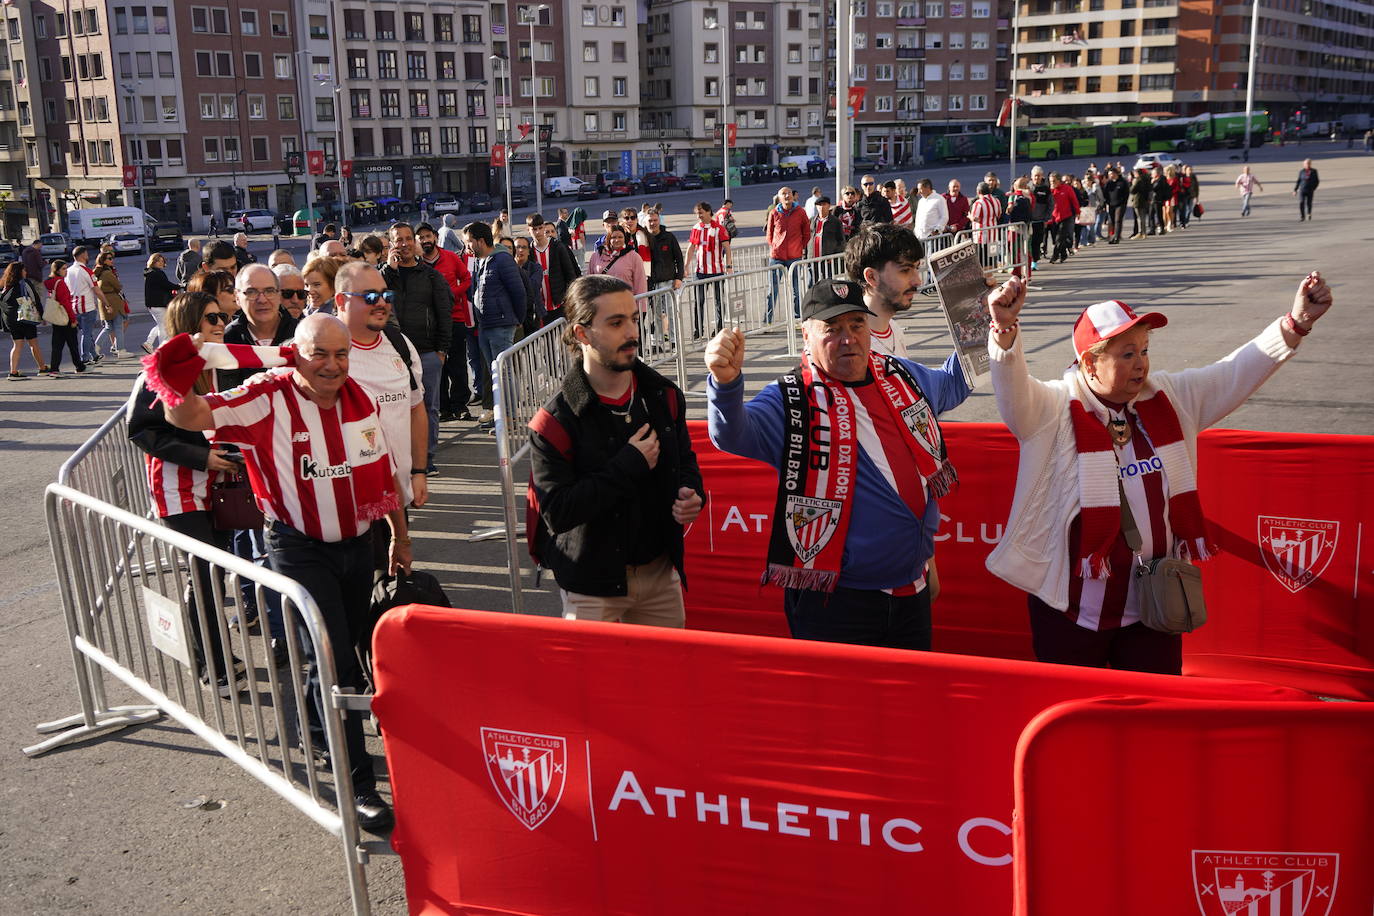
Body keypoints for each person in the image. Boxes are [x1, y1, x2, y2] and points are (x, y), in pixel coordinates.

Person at [983, 272, 1335, 674]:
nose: (1141, 365)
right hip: (1071, 613)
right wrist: (1005, 331)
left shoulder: (1168, 398)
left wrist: (1296, 323)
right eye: (1127, 354)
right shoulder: (1053, 409)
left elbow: (1235, 371)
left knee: (1149, 724)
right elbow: (1013, 392)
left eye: (1145, 350)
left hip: (1153, 611)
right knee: (1081, 726)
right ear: (1090, 363)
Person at [160, 312, 411, 834]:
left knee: (343, 655)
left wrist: (400, 536)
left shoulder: (358, 398)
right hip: (298, 548)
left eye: (341, 354)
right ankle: (358, 781)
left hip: (358, 544)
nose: (332, 365)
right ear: (295, 352)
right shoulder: (266, 396)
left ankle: (318, 728)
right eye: (319, 353)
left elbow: (381, 465)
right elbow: (189, 418)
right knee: (333, 659)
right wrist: (173, 374)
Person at [706, 278, 969, 648]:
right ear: (806, 336)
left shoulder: (899, 375)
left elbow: (956, 382)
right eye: (832, 329)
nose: (849, 338)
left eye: (857, 324)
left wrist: (985, 320)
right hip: (836, 602)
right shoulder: (790, 398)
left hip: (914, 588)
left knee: (909, 703)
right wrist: (725, 382)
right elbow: (732, 434)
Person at [528, 275, 705, 625]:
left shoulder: (663, 395)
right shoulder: (554, 420)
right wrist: (627, 466)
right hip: (590, 585)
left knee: (666, 679)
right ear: (582, 334)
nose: (632, 332)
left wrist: (692, 494)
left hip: (659, 575)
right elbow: (558, 513)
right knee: (593, 683)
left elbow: (685, 462)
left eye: (635, 319)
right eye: (616, 322)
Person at [127, 291, 256, 694]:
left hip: (217, 488)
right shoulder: (161, 368)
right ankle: (211, 666)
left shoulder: (218, 362)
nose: (221, 324)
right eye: (211, 318)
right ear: (188, 325)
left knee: (212, 575)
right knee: (204, 575)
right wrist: (202, 457)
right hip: (178, 488)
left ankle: (212, 655)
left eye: (222, 316)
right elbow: (142, 430)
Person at [332, 261, 429, 544]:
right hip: (344, 502)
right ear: (341, 301)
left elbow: (415, 409)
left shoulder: (399, 343)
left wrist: (419, 472)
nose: (382, 304)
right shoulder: (323, 350)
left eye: (386, 295)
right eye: (370, 297)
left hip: (395, 499)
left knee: (391, 583)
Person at [381, 222, 452, 473]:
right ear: (391, 244)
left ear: (416, 242)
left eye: (408, 238)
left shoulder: (432, 276)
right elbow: (377, 304)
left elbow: (444, 313)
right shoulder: (384, 276)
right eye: (398, 239)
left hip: (427, 353)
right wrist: (390, 271)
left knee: (428, 408)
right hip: (393, 356)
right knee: (397, 409)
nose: (404, 244)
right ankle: (401, 459)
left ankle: (426, 458)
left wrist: (441, 350)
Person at [464, 220, 526, 427]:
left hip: (501, 324)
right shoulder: (480, 261)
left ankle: (509, 416)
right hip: (485, 325)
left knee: (504, 372)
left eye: (469, 242)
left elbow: (518, 292)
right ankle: (503, 415)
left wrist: (517, 319)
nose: (467, 247)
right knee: (495, 374)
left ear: (480, 241)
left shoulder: (502, 260)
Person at [847, 223, 924, 359]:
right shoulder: (851, 348)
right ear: (871, 276)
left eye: (916, 268)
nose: (917, 281)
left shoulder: (895, 330)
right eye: (905, 270)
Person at [684, 201, 731, 339]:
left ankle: (719, 326)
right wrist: (686, 266)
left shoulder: (719, 228)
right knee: (699, 301)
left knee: (718, 300)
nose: (699, 216)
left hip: (717, 270)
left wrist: (729, 265)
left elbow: (727, 248)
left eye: (701, 213)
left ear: (708, 212)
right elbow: (691, 248)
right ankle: (698, 329)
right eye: (697, 213)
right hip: (700, 271)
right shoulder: (696, 228)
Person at [764, 186, 810, 324]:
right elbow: (769, 233)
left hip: (794, 257)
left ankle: (797, 318)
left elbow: (806, 233)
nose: (786, 196)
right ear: (779, 197)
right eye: (783, 194)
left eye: (789, 193)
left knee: (795, 289)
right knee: (772, 290)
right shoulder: (774, 213)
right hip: (777, 257)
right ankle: (768, 320)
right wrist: (774, 246)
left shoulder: (801, 212)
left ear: (793, 195)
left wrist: (799, 247)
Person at [530, 215, 582, 324]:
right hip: (540, 308)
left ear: (543, 227)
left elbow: (570, 274)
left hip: (559, 305)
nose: (538, 232)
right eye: (534, 229)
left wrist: (569, 299)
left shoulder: (558, 247)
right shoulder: (529, 251)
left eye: (540, 228)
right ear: (529, 230)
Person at [2, 263, 48, 379]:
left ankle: (13, 372)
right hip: (25, 317)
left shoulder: (6, 285)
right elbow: (35, 299)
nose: (26, 272)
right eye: (24, 270)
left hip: (11, 319)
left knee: (17, 344)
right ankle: (42, 368)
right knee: (33, 343)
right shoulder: (25, 283)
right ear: (20, 272)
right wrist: (41, 315)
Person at [64, 246, 102, 365]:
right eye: (86, 253)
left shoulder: (69, 270)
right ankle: (85, 358)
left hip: (74, 306)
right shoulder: (86, 271)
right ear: (82, 255)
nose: (88, 255)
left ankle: (94, 355)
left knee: (87, 332)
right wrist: (106, 303)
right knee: (86, 333)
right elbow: (96, 289)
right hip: (87, 306)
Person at [46, 261, 84, 374]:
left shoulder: (50, 282)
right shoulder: (60, 283)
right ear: (57, 270)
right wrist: (73, 319)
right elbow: (65, 303)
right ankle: (79, 366)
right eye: (63, 269)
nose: (66, 271)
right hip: (65, 316)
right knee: (72, 343)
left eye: (66, 268)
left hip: (56, 317)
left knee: (57, 344)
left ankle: (54, 369)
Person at [587, 225, 647, 297]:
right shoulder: (596, 256)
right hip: (601, 304)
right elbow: (589, 283)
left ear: (625, 238)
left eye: (620, 237)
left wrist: (641, 307)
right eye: (613, 237)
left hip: (625, 304)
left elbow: (640, 286)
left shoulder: (634, 257)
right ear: (608, 239)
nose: (617, 240)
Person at [93, 250, 131, 359]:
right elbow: (118, 286)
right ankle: (121, 350)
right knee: (118, 326)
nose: (112, 260)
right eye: (109, 259)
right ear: (103, 261)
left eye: (112, 258)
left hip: (104, 301)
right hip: (113, 301)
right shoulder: (107, 273)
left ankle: (96, 347)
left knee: (108, 327)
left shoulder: (98, 272)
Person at [141, 252, 179, 354]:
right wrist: (179, 286)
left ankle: (148, 343)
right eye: (159, 261)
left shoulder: (150, 272)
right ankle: (162, 349)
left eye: (162, 261)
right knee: (163, 326)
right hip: (159, 303)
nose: (161, 263)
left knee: (161, 324)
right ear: (153, 262)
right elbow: (166, 285)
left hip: (152, 304)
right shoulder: (157, 273)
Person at [1046, 172, 1080, 264]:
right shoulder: (1050, 190)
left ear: (1059, 181)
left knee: (1060, 238)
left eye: (1054, 181)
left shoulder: (1067, 189)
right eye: (1050, 181)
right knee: (1056, 238)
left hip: (1066, 216)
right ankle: (1063, 254)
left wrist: (1077, 212)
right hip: (1054, 217)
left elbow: (1074, 200)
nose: (1052, 183)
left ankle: (1055, 255)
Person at [968, 181, 1003, 266]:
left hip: (981, 238)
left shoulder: (978, 203)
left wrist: (969, 216)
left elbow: (975, 218)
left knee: (982, 262)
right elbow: (999, 215)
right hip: (993, 236)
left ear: (978, 192)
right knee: (991, 261)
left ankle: (986, 278)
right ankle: (990, 277)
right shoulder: (997, 201)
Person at [1102, 167, 1129, 244]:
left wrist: (1123, 202)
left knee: (1118, 220)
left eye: (1112, 174)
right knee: (1112, 221)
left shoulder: (1123, 182)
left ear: (1116, 174)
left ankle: (1117, 237)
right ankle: (1112, 236)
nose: (1110, 175)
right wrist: (1106, 202)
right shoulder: (1109, 183)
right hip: (1111, 204)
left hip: (1120, 204)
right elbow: (1105, 194)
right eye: (1109, 174)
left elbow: (1126, 193)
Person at [1129, 167, 1153, 240]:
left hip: (1137, 200)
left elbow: (1132, 190)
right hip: (1144, 200)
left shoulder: (1137, 180)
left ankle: (1141, 232)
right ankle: (1144, 233)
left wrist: (1132, 182)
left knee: (1139, 218)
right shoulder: (1146, 179)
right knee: (1143, 217)